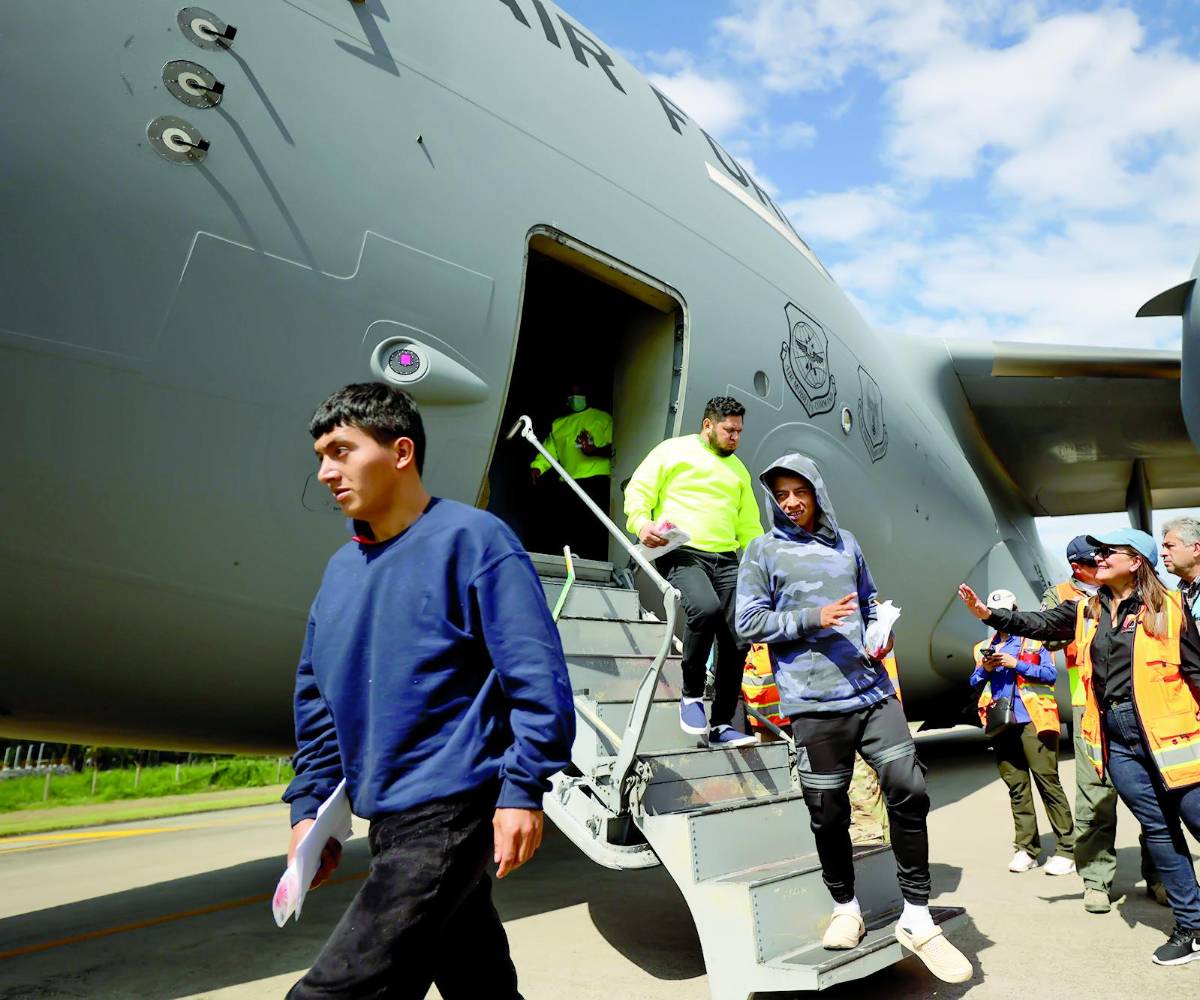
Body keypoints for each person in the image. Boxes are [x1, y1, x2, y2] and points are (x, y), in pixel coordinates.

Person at [282, 383, 576, 998]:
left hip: (452, 809)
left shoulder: (476, 541)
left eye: (340, 451)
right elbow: (317, 701)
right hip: (386, 816)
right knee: (478, 982)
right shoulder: (340, 573)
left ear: (400, 451)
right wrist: (311, 814)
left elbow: (536, 675)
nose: (324, 473)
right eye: (319, 457)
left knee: (336, 990)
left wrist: (522, 790)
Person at [736, 454, 971, 983]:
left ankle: (916, 912)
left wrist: (877, 629)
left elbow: (867, 604)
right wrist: (811, 618)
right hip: (813, 704)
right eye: (782, 494)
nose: (792, 502)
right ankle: (846, 905)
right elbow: (747, 620)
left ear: (818, 491)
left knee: (908, 785)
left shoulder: (848, 544)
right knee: (827, 810)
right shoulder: (762, 550)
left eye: (800, 491)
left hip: (871, 691)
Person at [958, 528, 1200, 967]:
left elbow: (1197, 671)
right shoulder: (1087, 610)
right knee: (1161, 833)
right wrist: (989, 616)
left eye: (1110, 552)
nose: (1099, 558)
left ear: (1136, 561)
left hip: (1169, 735)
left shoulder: (1171, 607)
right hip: (1116, 736)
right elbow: (1037, 623)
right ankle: (1192, 926)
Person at [624, 395, 763, 747]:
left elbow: (749, 526)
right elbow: (639, 490)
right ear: (707, 426)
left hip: (726, 558)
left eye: (739, 432)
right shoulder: (672, 451)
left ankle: (721, 725)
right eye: (729, 430)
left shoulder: (739, 471)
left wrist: (765, 561)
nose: (735, 437)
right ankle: (691, 694)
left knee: (739, 636)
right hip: (683, 551)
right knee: (706, 609)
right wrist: (641, 525)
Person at [1041, 536, 1162, 913]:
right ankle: (1095, 880)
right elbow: (1049, 638)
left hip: (1144, 704)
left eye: (1107, 555)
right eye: (1095, 559)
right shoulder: (1062, 596)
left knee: (1154, 795)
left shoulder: (1146, 595)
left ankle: (1159, 875)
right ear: (1080, 567)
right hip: (1089, 704)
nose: (1102, 562)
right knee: (1094, 795)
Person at [970, 589, 1076, 876]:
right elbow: (974, 680)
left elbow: (1050, 675)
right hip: (1001, 722)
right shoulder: (983, 646)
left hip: (1034, 720)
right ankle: (1027, 849)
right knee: (1017, 787)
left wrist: (1017, 664)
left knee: (1047, 783)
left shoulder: (1035, 640)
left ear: (1014, 611)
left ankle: (1067, 848)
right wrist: (986, 667)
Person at [529, 382, 613, 560]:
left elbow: (616, 448)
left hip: (597, 480)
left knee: (594, 524)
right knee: (570, 525)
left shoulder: (602, 418)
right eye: (571, 395)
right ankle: (573, 560)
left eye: (579, 394)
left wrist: (594, 450)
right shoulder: (558, 424)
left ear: (586, 395)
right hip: (568, 481)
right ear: (566, 400)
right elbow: (548, 451)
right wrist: (537, 467)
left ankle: (595, 560)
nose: (575, 399)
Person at [1162, 516, 1200, 619]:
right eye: (1163, 547)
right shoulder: (1176, 597)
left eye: (1170, 546)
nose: (1163, 553)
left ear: (1196, 549)